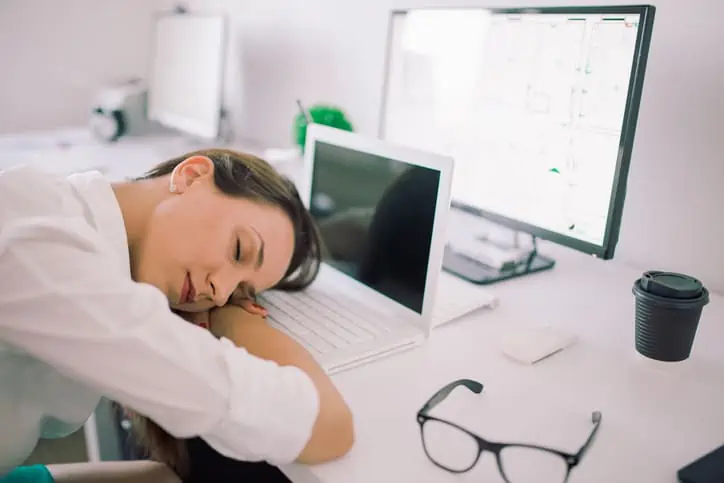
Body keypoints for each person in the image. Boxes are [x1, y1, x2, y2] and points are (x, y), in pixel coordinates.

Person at [0, 149, 354, 481]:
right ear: (191, 175)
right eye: (238, 249)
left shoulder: (66, 213)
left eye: (238, 293)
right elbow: (328, 427)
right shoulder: (47, 254)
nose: (219, 292)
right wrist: (237, 320)